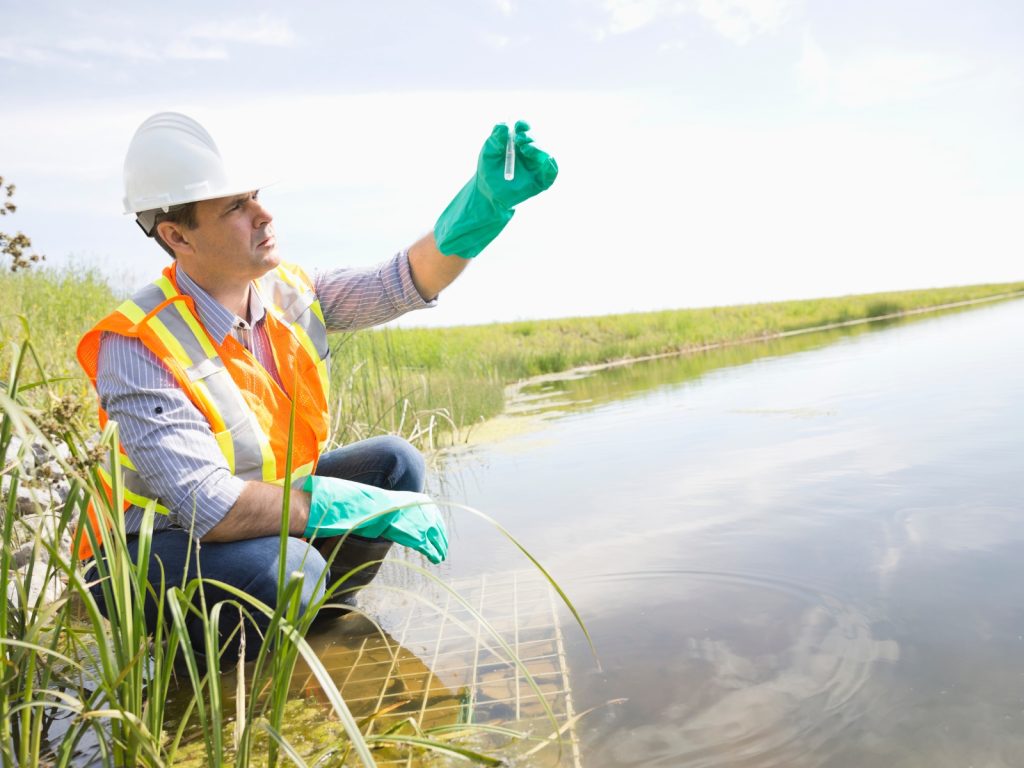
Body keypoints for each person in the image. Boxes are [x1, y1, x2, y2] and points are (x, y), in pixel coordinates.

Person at [77, 112, 558, 664]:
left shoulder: (288, 293)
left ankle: (318, 632)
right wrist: (342, 503)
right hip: (146, 552)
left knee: (393, 466)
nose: (263, 213)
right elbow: (207, 507)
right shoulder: (137, 344)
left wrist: (482, 207)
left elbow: (401, 281)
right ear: (176, 235)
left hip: (259, 523)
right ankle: (215, 680)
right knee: (289, 568)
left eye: (254, 195)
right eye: (236, 206)